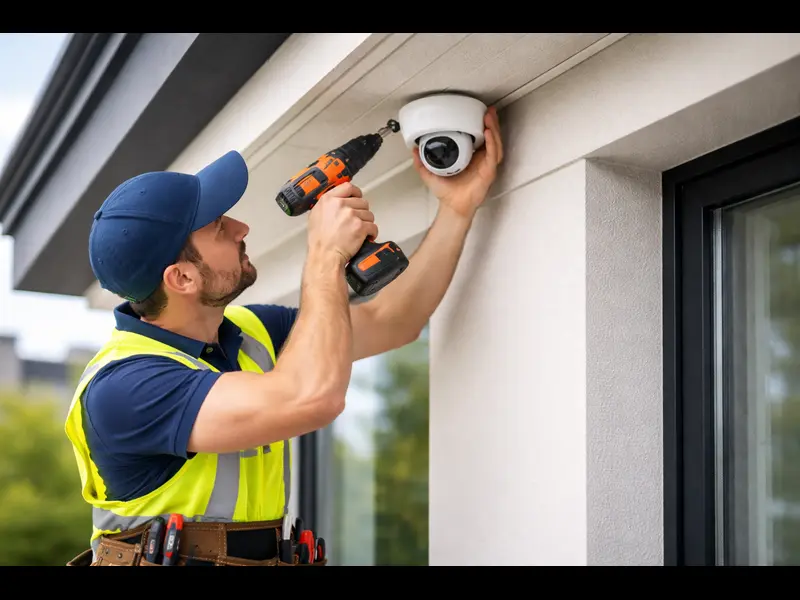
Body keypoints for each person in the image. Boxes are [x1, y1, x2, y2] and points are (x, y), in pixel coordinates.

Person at [64, 106, 504, 566]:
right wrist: (325, 254)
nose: (241, 228)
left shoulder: (254, 333)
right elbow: (310, 398)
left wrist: (457, 207)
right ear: (182, 279)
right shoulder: (124, 389)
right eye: (218, 226)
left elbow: (396, 320)